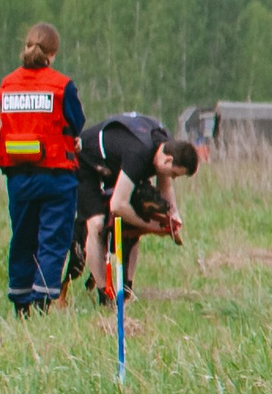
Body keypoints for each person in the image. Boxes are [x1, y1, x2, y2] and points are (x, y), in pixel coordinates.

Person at [0, 23, 84, 314]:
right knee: (52, 239)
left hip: (19, 177)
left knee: (22, 237)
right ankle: (43, 300)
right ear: (53, 53)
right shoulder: (61, 85)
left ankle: (21, 303)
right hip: (56, 176)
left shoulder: (7, 84)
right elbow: (76, 121)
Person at [73, 112, 199, 305]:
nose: (173, 177)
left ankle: (127, 290)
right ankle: (104, 295)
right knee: (97, 224)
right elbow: (118, 205)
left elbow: (165, 186)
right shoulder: (139, 154)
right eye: (174, 173)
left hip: (117, 163)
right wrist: (152, 227)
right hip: (88, 163)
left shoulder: (165, 147)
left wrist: (174, 217)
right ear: (167, 160)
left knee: (134, 226)